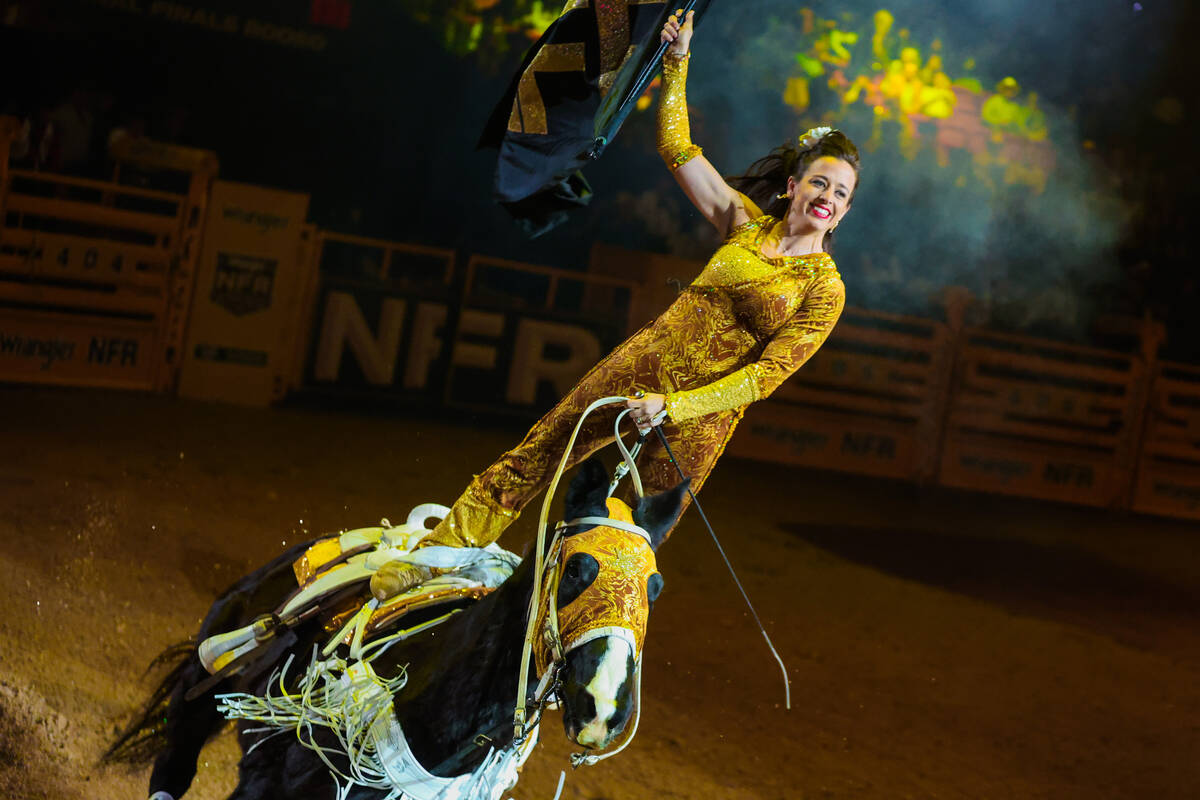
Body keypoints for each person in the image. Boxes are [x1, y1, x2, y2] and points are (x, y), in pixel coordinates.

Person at [417, 9, 859, 553]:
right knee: (536, 455)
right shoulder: (741, 220)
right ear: (793, 186)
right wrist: (677, 62)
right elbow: (678, 149)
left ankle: (562, 626)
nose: (828, 198)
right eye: (821, 183)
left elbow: (763, 378)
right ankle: (437, 557)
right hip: (635, 369)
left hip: (697, 424)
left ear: (843, 213)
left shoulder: (824, 288)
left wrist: (672, 408)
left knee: (626, 547)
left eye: (841, 194)